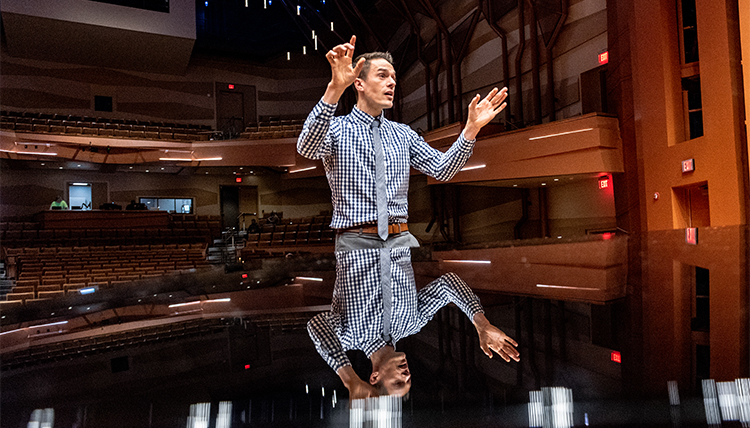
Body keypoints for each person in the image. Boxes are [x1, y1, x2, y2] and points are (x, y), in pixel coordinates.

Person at [297, 35, 508, 251]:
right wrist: (335, 88)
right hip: (355, 241)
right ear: (358, 83)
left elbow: (442, 169)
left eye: (394, 78)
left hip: (401, 240)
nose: (392, 82)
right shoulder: (336, 128)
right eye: (382, 76)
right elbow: (308, 148)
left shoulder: (403, 134)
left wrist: (471, 130)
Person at [307, 247, 519, 399]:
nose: (407, 375)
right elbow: (448, 283)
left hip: (357, 216)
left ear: (374, 377)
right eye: (408, 381)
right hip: (395, 213)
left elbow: (316, 325)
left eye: (398, 381)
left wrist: (350, 379)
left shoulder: (348, 336)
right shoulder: (413, 323)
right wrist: (480, 322)